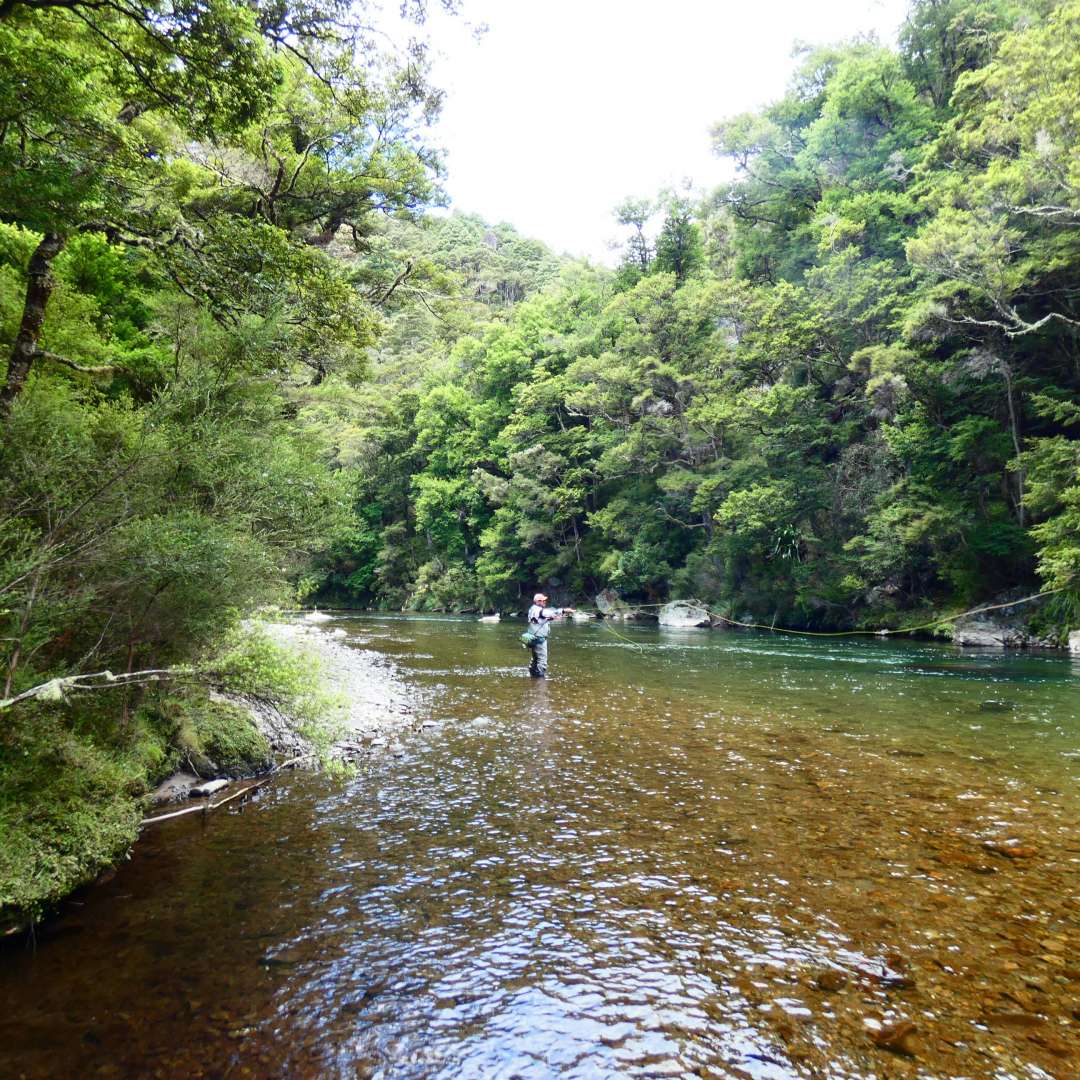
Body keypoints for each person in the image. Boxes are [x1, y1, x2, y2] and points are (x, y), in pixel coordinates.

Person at [526, 592, 574, 678]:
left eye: (544, 600)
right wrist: (564, 610)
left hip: (532, 638)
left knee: (535, 658)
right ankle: (539, 679)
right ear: (538, 601)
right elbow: (551, 612)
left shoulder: (532, 609)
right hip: (539, 639)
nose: (545, 602)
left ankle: (532, 676)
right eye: (543, 600)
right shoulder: (540, 610)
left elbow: (540, 619)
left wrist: (552, 618)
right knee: (542, 661)